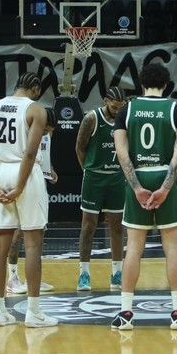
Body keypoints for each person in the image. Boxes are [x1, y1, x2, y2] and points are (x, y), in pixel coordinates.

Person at [110, 62, 177, 331]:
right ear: (167, 85)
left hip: (139, 175)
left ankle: (125, 313)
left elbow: (122, 153)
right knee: (172, 248)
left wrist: (136, 187)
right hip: (165, 176)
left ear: (141, 84)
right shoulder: (176, 110)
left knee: (133, 247)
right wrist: (166, 188)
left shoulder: (127, 109)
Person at [0, 72, 58, 327]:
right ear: (35, 88)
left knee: (0, 245)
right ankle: (34, 312)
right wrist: (21, 185)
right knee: (33, 244)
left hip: (1, 172)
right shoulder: (36, 110)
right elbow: (30, 152)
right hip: (26, 174)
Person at [74, 86, 127, 292]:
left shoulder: (125, 119)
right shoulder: (91, 119)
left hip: (116, 178)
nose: (117, 111)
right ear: (106, 100)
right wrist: (89, 169)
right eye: (114, 107)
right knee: (88, 227)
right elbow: (80, 148)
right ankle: (84, 273)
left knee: (116, 227)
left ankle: (117, 272)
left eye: (121, 108)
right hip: (94, 178)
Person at [4, 107, 59, 297]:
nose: (48, 134)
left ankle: (32, 277)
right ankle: (12, 278)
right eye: (46, 129)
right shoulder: (22, 133)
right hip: (20, 179)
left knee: (38, 231)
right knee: (18, 231)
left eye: (51, 131)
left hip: (37, 180)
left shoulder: (44, 134)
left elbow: (41, 154)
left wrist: (49, 169)